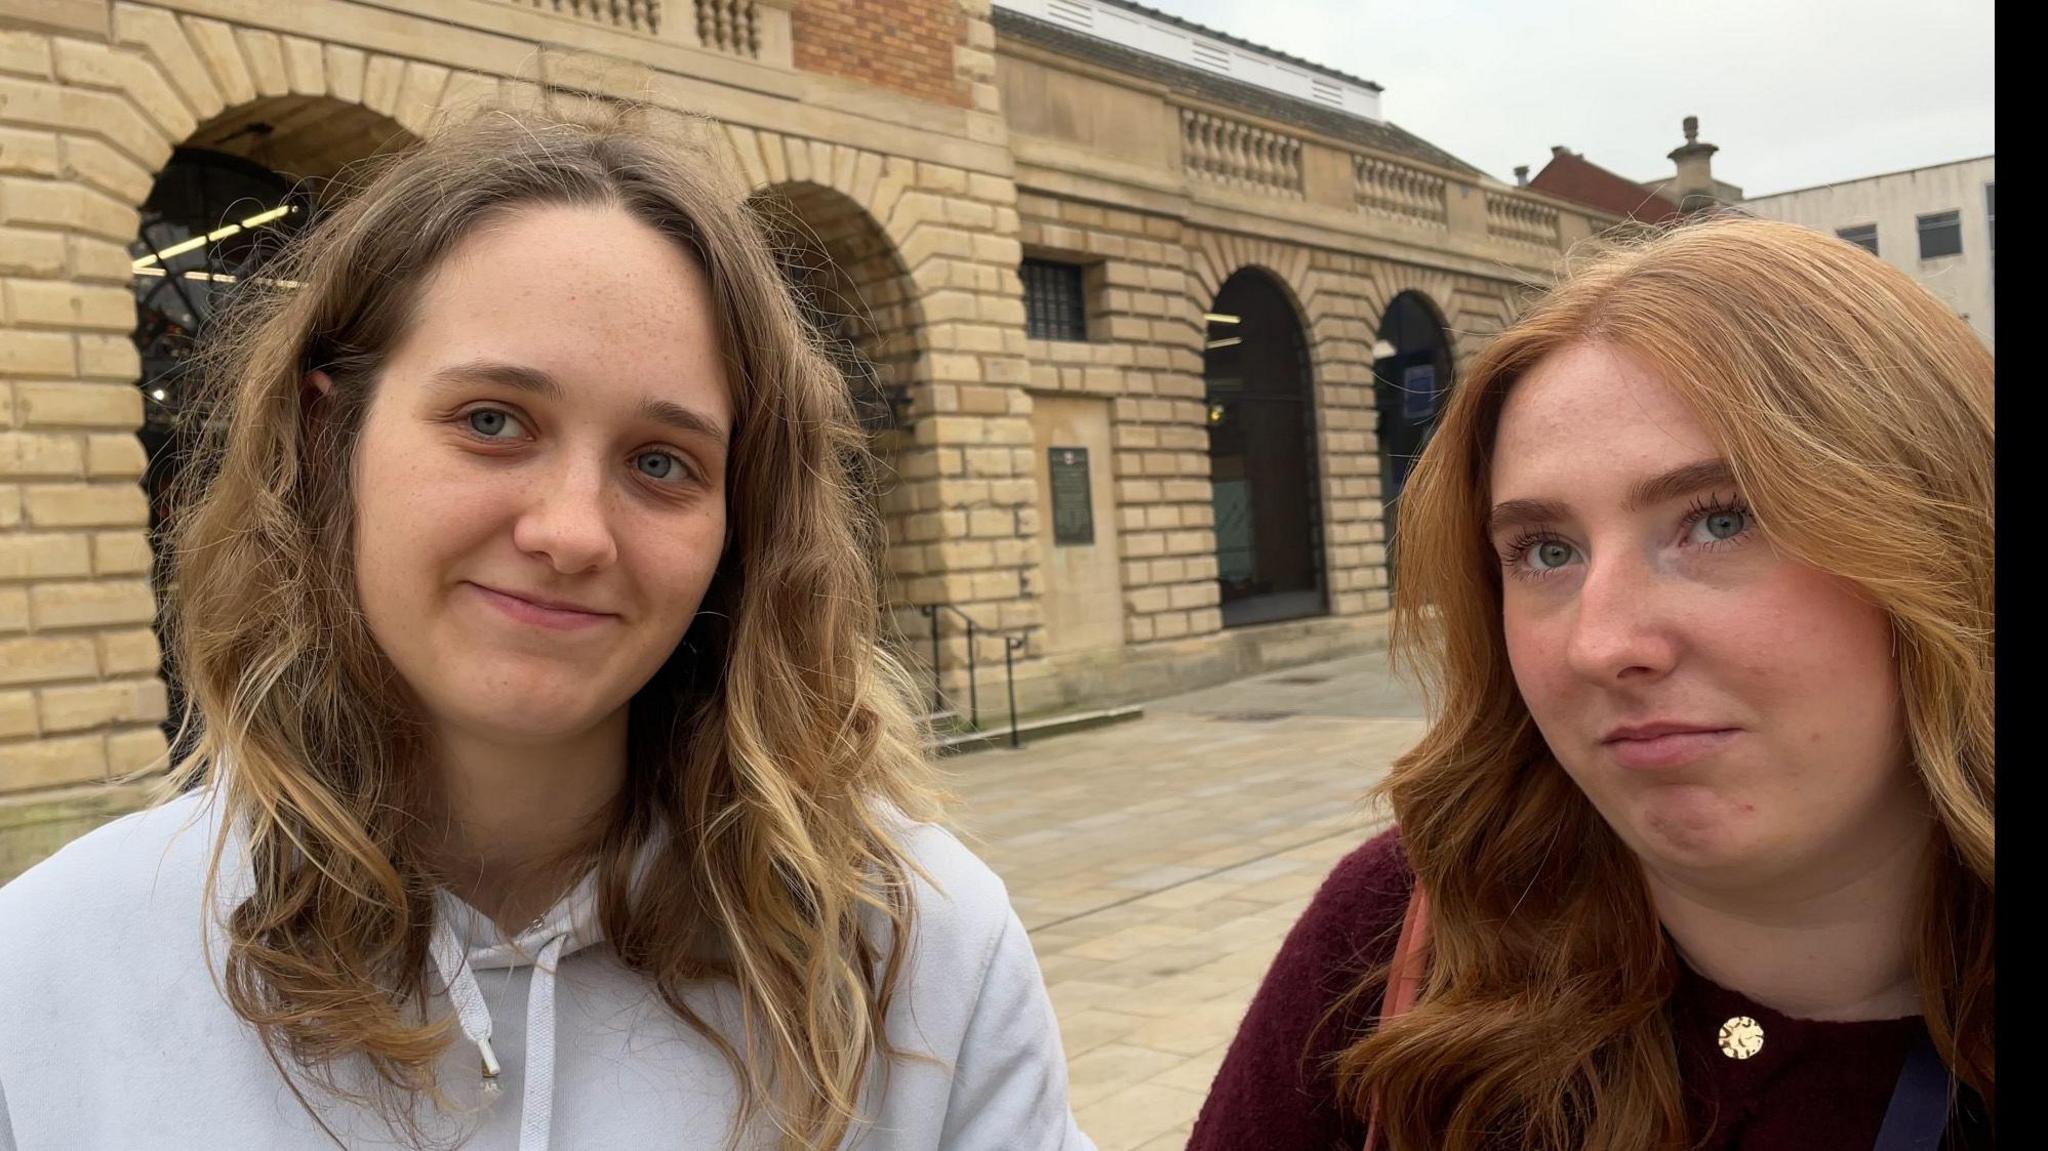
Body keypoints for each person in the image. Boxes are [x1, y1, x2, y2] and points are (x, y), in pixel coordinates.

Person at [0, 104, 1091, 1151]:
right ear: (331, 440)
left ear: (737, 523)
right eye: (491, 421)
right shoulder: (50, 964)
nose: (572, 532)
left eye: (661, 462)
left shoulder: (918, 953)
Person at [1188, 216, 1994, 1150]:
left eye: (1723, 520)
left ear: (1948, 542)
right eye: (1545, 550)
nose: (1600, 643)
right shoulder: (1398, 933)